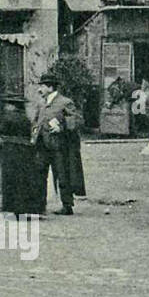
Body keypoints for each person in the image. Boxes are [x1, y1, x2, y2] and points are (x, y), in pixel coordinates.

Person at [31, 72, 86, 215]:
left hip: (59, 147)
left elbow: (77, 120)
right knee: (39, 174)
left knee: (62, 175)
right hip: (42, 145)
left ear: (50, 87)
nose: (39, 89)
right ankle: (39, 205)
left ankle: (67, 206)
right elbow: (36, 121)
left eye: (42, 86)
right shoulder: (41, 103)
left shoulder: (65, 102)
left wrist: (61, 126)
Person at [0, 92, 44, 215]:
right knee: (22, 179)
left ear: (12, 106)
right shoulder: (25, 119)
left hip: (10, 151)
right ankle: (23, 206)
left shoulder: (7, 117)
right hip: (25, 151)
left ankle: (9, 206)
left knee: (9, 179)